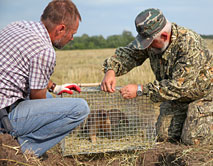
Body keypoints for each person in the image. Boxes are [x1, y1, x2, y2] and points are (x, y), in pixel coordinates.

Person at [101, 8, 213, 145]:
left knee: (193, 139)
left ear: (164, 36)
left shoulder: (189, 44)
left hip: (205, 95)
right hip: (177, 99)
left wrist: (141, 89)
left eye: (149, 44)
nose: (147, 48)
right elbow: (129, 54)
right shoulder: (153, 41)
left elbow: (179, 86)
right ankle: (187, 119)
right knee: (163, 136)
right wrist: (111, 70)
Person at [0, 0, 90, 157]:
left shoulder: (17, 26)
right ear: (61, 29)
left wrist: (55, 87)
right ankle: (20, 150)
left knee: (49, 95)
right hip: (4, 117)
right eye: (72, 33)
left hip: (3, 104)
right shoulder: (45, 51)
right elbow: (38, 100)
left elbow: (22, 69)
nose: (72, 38)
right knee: (80, 108)